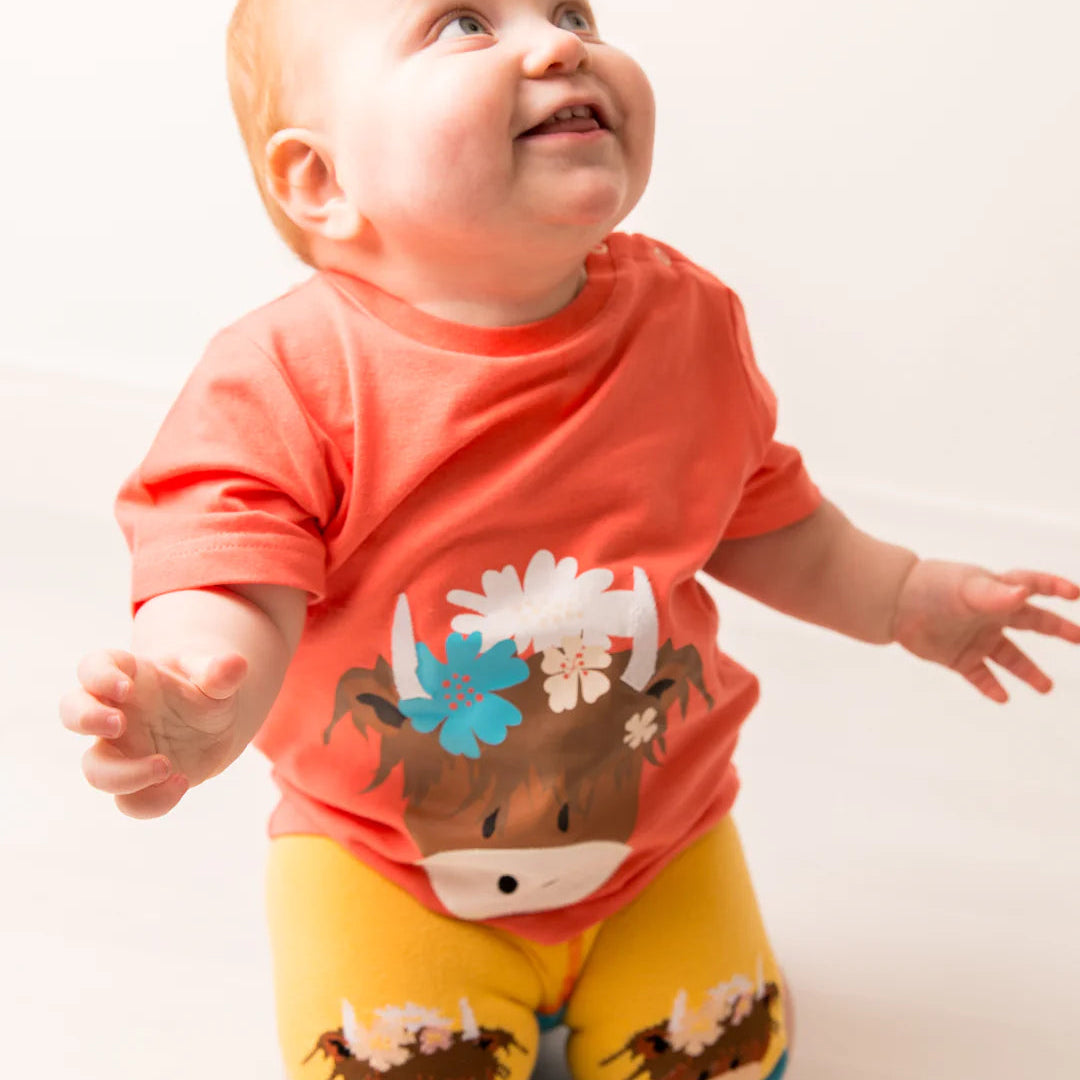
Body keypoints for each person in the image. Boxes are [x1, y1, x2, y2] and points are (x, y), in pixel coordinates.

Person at [59, 2, 1079, 1079]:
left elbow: (760, 513)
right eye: (462, 22)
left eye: (571, 12)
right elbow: (231, 576)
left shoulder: (686, 321)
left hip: (660, 847)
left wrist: (906, 595)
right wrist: (195, 689)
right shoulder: (281, 381)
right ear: (320, 178)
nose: (558, 45)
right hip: (388, 863)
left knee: (715, 1059)